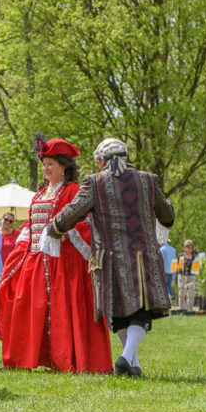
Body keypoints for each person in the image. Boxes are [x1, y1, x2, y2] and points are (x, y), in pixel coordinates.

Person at [46, 138, 174, 377]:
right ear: (126, 156)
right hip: (143, 256)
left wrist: (53, 227)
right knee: (139, 311)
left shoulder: (94, 182)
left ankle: (126, 358)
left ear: (100, 161)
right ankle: (131, 364)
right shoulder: (149, 179)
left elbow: (72, 212)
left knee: (119, 312)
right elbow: (167, 216)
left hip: (108, 258)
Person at [0, 138, 112, 374]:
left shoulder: (74, 191)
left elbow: (85, 225)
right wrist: (25, 242)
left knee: (61, 310)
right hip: (34, 260)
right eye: (44, 164)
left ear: (64, 166)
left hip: (64, 262)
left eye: (51, 164)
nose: (46, 169)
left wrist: (63, 235)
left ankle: (65, 359)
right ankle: (24, 358)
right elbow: (33, 222)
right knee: (28, 308)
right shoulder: (41, 193)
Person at [176, 240, 198, 313]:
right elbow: (177, 267)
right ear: (184, 248)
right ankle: (181, 309)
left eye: (190, 246)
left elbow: (197, 267)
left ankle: (190, 310)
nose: (188, 248)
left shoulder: (195, 257)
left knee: (191, 293)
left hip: (191, 276)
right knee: (181, 293)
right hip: (182, 276)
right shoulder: (181, 256)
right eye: (187, 246)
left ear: (192, 248)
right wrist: (180, 265)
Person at [159, 232, 177, 299]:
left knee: (166, 285)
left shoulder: (161, 249)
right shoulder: (173, 249)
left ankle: (171, 298)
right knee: (168, 285)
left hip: (165, 270)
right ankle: (172, 298)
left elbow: (161, 260)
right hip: (171, 270)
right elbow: (175, 260)